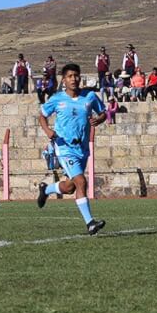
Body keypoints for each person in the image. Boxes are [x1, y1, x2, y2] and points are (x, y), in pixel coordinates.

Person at [36, 63, 107, 235]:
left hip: (82, 149)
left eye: (76, 75)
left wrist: (100, 119)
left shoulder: (89, 96)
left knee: (70, 187)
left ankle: (46, 190)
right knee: (81, 181)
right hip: (64, 148)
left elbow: (103, 112)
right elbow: (42, 116)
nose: (73, 79)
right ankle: (90, 223)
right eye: (69, 76)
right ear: (63, 80)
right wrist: (48, 131)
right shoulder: (57, 99)